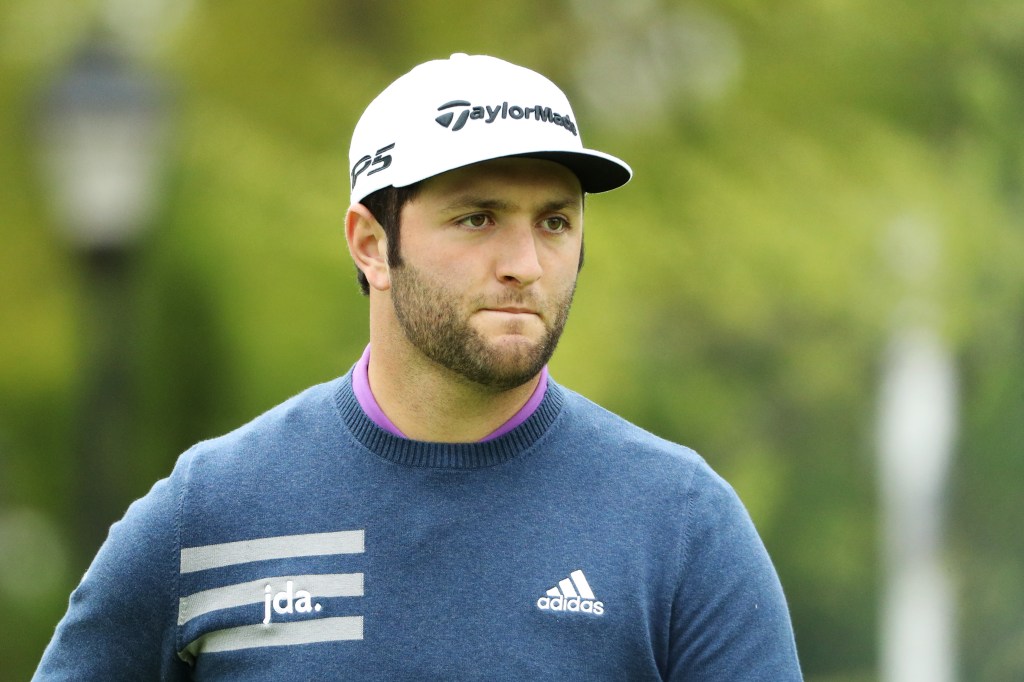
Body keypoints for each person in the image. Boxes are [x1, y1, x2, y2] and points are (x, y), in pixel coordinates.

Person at [35, 53, 802, 681]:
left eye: (555, 222)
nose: (525, 264)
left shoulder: (680, 524)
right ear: (371, 244)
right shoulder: (211, 511)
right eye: (477, 218)